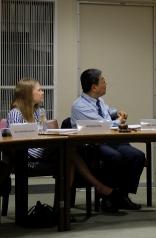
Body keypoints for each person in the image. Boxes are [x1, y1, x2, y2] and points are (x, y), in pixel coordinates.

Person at [9, 78, 117, 211]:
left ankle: (61, 209)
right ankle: (68, 206)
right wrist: (47, 147)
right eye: (39, 90)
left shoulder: (38, 111)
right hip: (27, 158)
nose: (43, 92)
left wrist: (48, 143)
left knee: (69, 157)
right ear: (27, 93)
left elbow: (42, 133)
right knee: (69, 152)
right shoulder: (15, 113)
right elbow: (21, 143)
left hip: (43, 152)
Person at [71, 69, 145, 211]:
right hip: (92, 145)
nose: (106, 83)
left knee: (137, 156)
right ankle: (108, 198)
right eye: (103, 80)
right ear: (94, 87)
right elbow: (103, 125)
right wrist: (119, 120)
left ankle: (122, 196)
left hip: (109, 141)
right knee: (114, 157)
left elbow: (106, 112)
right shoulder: (79, 105)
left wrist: (115, 112)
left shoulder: (99, 101)